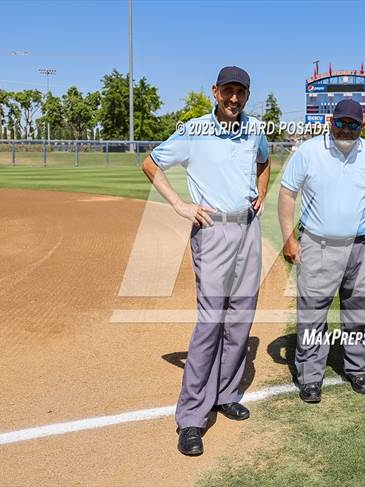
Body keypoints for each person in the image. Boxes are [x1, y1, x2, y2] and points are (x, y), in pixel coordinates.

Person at [141, 66, 270, 455]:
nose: (234, 98)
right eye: (228, 91)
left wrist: (261, 193)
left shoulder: (255, 129)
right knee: (211, 321)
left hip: (248, 229)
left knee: (241, 317)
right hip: (212, 230)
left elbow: (265, 161)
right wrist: (180, 205)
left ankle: (226, 393)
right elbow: (150, 163)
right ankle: (192, 417)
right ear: (215, 91)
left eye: (241, 92)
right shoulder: (194, 130)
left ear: (247, 96)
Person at [278, 99, 365, 403]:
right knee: (313, 314)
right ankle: (310, 377)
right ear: (330, 121)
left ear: (362, 125)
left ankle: (357, 368)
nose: (345, 129)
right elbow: (287, 194)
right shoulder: (309, 151)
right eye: (340, 123)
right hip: (319, 244)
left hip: (362, 245)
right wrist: (289, 239)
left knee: (359, 312)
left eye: (353, 124)